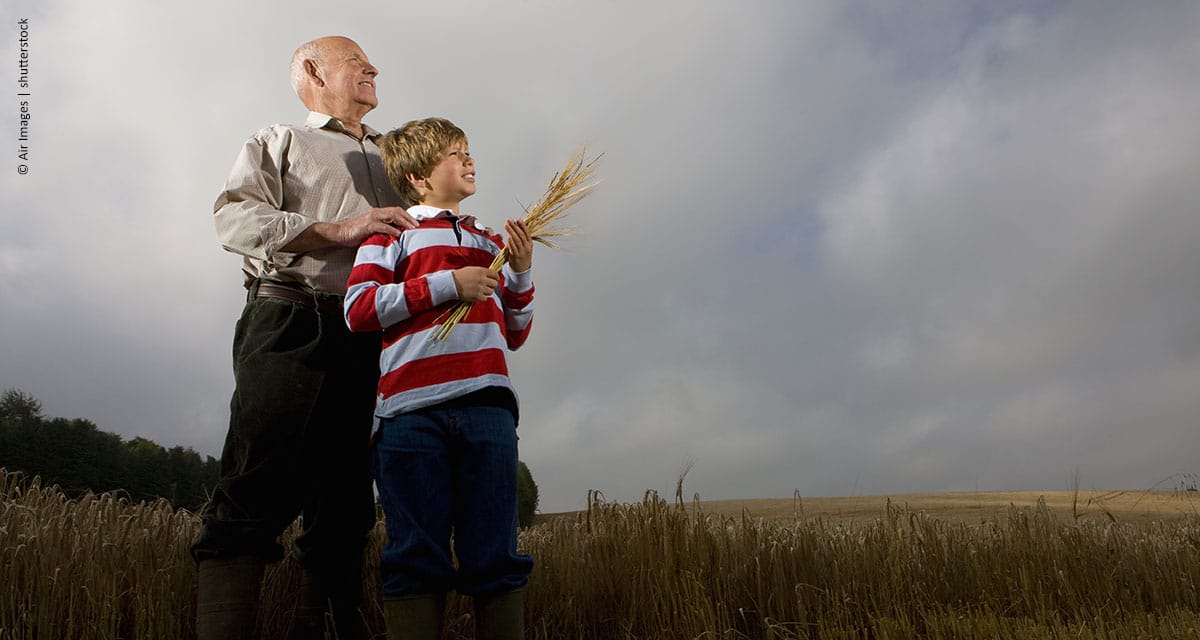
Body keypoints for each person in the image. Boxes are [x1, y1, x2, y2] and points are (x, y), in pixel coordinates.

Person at [192, 35, 418, 640]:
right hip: (290, 318)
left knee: (347, 499)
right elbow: (234, 216)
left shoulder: (402, 155)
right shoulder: (278, 140)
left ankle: (317, 621)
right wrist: (337, 229)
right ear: (314, 71)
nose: (373, 67)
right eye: (356, 60)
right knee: (254, 480)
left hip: (370, 334)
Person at [344, 117, 535, 640]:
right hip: (409, 414)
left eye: (469, 150)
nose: (470, 160)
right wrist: (448, 283)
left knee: (496, 553)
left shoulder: (489, 239)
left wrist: (519, 270)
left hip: (488, 408)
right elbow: (359, 309)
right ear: (418, 178)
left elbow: (515, 332)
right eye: (456, 153)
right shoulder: (394, 236)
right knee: (414, 555)